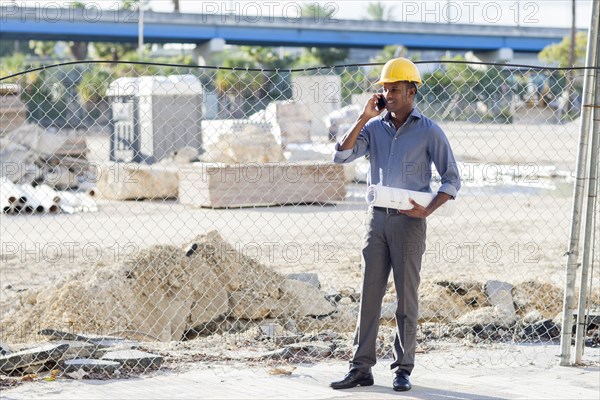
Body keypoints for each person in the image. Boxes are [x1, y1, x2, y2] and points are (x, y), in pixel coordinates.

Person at [330, 58, 461, 392]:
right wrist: (363, 117)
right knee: (369, 295)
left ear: (412, 91)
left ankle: (403, 369)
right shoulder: (373, 128)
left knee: (406, 298)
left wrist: (428, 209)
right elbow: (341, 156)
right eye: (385, 88)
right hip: (376, 221)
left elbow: (451, 178)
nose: (388, 94)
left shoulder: (429, 130)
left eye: (395, 88)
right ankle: (361, 368)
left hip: (409, 223)